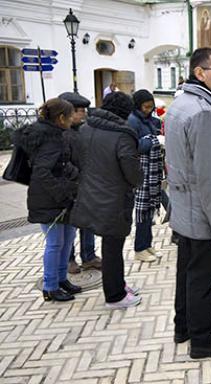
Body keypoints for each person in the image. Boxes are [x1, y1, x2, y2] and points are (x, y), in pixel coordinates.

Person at [164, 47, 211, 359]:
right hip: (202, 214)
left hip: (184, 208)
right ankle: (202, 340)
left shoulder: (179, 104)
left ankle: (183, 327)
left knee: (187, 272)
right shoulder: (204, 113)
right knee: (202, 280)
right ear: (200, 73)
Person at [69, 92, 144, 309]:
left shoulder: (86, 127)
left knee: (109, 246)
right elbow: (133, 173)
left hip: (90, 193)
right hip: (114, 198)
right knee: (113, 248)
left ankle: (118, 284)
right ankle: (115, 296)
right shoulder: (123, 134)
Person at [13, 98, 81, 301]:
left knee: (68, 239)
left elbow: (61, 164)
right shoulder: (49, 138)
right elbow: (43, 172)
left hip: (62, 197)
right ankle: (50, 286)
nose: (72, 120)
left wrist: (77, 175)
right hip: (50, 199)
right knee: (55, 243)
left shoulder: (56, 135)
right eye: (70, 117)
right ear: (61, 118)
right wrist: (62, 192)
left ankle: (61, 280)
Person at [58, 92, 102, 274]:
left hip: (86, 186)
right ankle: (69, 259)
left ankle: (89, 256)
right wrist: (77, 175)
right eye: (80, 111)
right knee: (69, 226)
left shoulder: (83, 130)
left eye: (84, 110)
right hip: (69, 187)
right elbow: (61, 163)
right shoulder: (60, 134)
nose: (84, 114)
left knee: (88, 222)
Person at [127, 89, 163, 262]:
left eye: (151, 107)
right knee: (142, 211)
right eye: (146, 107)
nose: (148, 110)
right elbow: (134, 146)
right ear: (138, 105)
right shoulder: (132, 121)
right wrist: (154, 141)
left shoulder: (148, 119)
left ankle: (147, 244)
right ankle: (139, 248)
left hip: (152, 170)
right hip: (142, 172)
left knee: (149, 210)